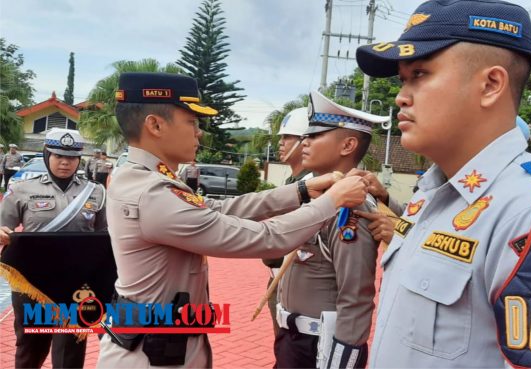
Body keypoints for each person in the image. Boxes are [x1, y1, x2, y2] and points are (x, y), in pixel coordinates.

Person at [355, 0, 531, 368]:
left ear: (490, 84)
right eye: (403, 79)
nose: (400, 96)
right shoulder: (430, 195)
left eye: (419, 74)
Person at [95, 72, 368, 368]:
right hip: (148, 356)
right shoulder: (150, 192)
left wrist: (301, 190)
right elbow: (264, 238)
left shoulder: (148, 179)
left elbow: (219, 208)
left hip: (162, 347)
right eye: (191, 122)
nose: (198, 133)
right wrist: (332, 201)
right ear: (156, 125)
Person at [275, 91, 388, 369]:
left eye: (315, 136)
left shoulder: (351, 206)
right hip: (293, 340)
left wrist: (340, 361)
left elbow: (355, 298)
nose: (305, 142)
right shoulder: (317, 196)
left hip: (319, 348)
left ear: (348, 145)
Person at [0, 128, 107, 369]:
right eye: (58, 156)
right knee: (30, 347)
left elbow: (105, 237)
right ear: (47, 154)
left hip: (78, 285)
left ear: (79, 159)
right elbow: (2, 225)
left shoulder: (96, 192)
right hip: (32, 282)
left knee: (71, 351)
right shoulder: (22, 189)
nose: (65, 162)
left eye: (71, 157)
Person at [261, 107, 313, 338]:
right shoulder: (293, 181)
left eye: (287, 137)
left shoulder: (313, 184)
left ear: (305, 141)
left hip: (299, 287)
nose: (281, 143)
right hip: (277, 280)